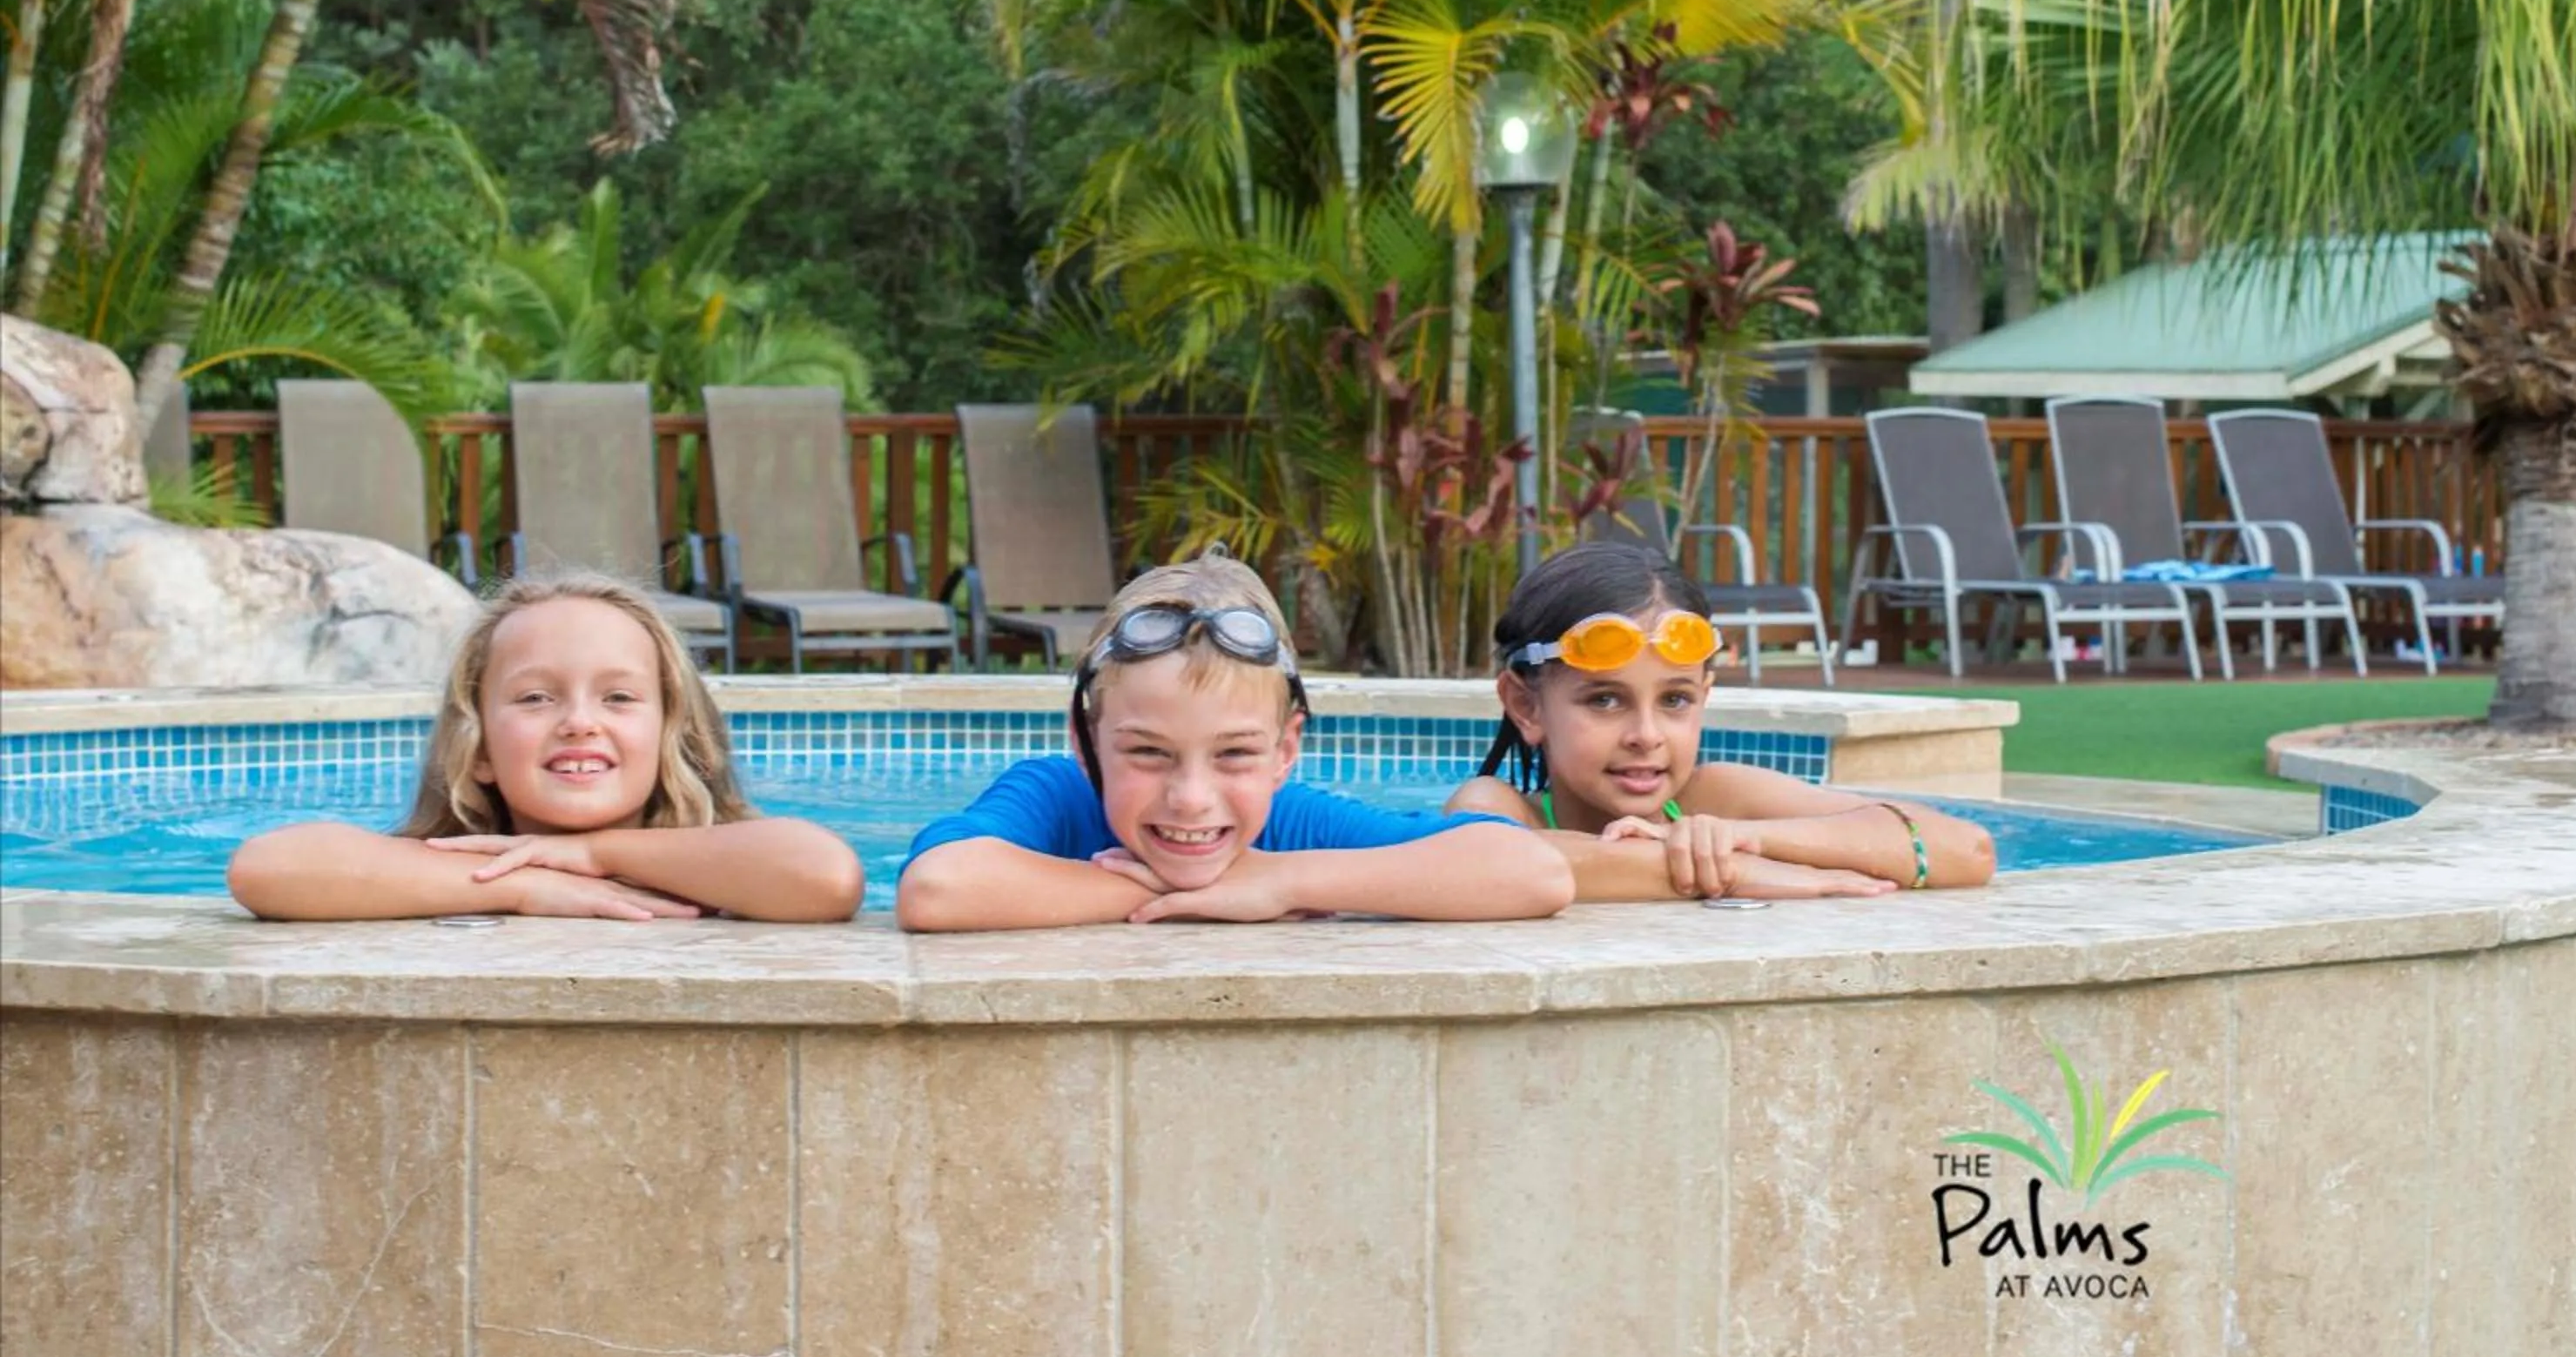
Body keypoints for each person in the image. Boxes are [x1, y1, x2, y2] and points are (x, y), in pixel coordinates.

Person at [895, 553, 1574, 930]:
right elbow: (938, 889)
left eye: (1234, 754)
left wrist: (1278, 879)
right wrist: (1182, 891)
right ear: (1086, 739)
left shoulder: (1290, 823)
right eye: (1148, 752)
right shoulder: (1054, 793)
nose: (1192, 799)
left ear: (1285, 750)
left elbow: (1531, 871)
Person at [226, 571, 864, 922]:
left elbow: (826, 878)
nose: (579, 722)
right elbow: (267, 867)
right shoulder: (438, 864)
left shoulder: (720, 863)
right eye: (536, 699)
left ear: (675, 734)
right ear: (476, 747)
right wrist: (523, 886)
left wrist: (591, 852)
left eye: (618, 698)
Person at [1447, 543, 1997, 902]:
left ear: (1705, 697)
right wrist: (1731, 872)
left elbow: (1966, 851)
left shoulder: (1715, 798)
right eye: (1605, 701)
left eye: (1676, 700)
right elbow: (1491, 865)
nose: (1647, 734)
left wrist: (1737, 838)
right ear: (1527, 706)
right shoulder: (1497, 806)